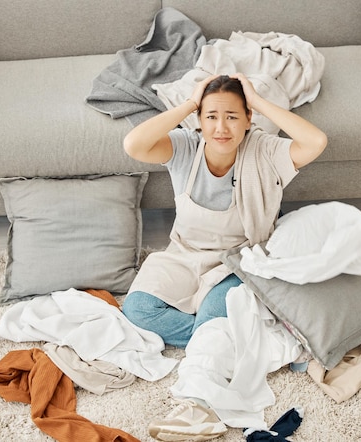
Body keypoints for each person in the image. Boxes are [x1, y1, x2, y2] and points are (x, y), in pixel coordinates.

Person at [122, 73, 326, 440]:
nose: (221, 127)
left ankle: (199, 403)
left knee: (218, 311)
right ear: (199, 120)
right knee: (137, 310)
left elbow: (316, 140)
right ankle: (228, 340)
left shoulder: (265, 151)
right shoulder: (185, 147)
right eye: (211, 116)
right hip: (184, 254)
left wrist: (257, 102)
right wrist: (189, 103)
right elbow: (134, 143)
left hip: (239, 262)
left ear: (248, 120)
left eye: (232, 116)